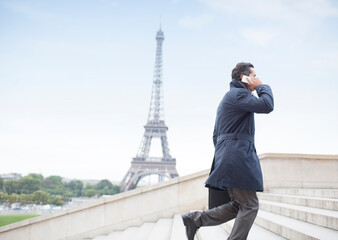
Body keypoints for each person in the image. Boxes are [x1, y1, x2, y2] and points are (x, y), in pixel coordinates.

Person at [181, 62, 274, 240]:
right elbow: (267, 105)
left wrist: (226, 154)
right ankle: (196, 220)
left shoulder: (231, 96)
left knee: (240, 205)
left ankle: (195, 219)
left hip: (231, 155)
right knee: (250, 206)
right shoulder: (238, 94)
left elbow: (215, 135)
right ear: (244, 78)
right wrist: (262, 86)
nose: (256, 79)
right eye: (254, 75)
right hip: (237, 156)